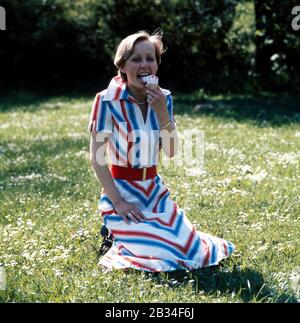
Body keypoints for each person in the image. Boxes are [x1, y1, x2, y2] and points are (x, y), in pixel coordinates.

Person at [89, 30, 234, 272]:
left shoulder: (163, 98)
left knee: (192, 250)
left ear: (156, 64)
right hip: (123, 192)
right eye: (136, 59)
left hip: (154, 191)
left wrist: (161, 111)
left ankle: (133, 235)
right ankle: (116, 233)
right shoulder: (106, 100)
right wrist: (119, 203)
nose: (144, 65)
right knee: (159, 253)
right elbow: (97, 159)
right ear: (123, 65)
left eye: (150, 58)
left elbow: (171, 151)